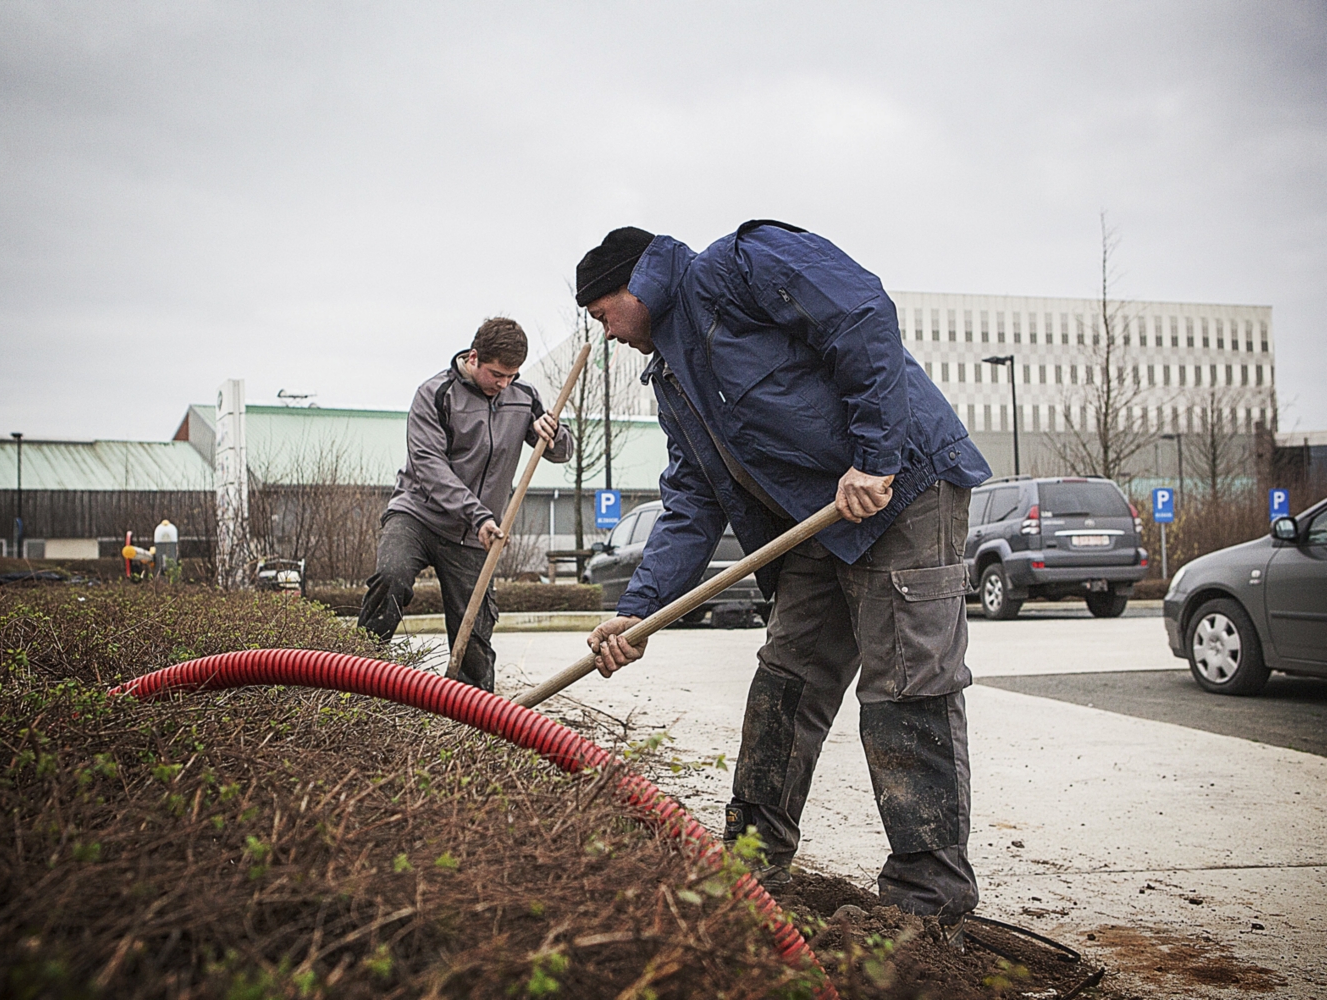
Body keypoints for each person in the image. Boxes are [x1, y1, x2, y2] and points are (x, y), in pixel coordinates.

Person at [574, 222, 992, 941]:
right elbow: (692, 503)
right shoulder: (672, 382)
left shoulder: (737, 266)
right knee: (786, 680)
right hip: (823, 519)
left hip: (902, 488)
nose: (606, 335)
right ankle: (750, 861)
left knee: (905, 684)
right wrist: (638, 614)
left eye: (601, 314)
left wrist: (876, 454)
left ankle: (928, 899)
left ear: (634, 282)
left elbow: (860, 311)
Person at [359, 317, 574, 690]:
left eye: (512, 375)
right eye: (496, 374)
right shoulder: (435, 394)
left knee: (474, 633)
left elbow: (563, 452)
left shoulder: (523, 398)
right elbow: (429, 466)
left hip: (476, 535)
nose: (503, 384)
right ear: (474, 358)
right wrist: (477, 514)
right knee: (391, 577)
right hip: (418, 515)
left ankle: (473, 721)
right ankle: (355, 677)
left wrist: (554, 436)